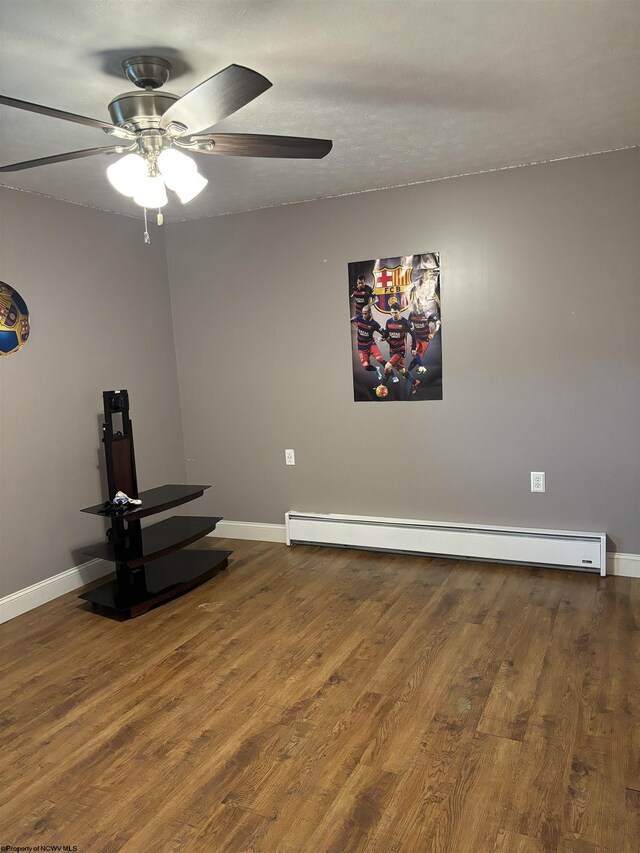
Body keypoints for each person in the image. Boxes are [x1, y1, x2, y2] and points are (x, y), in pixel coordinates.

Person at [383, 305, 420, 394]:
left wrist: (414, 348)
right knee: (401, 371)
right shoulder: (388, 321)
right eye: (392, 313)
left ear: (400, 312)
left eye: (395, 312)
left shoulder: (406, 322)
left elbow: (413, 335)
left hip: (401, 350)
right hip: (392, 350)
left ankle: (383, 385)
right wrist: (382, 337)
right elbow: (387, 333)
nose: (394, 314)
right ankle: (415, 382)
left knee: (388, 366)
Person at [350, 304, 386, 372]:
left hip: (370, 344)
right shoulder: (358, 318)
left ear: (370, 313)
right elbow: (351, 320)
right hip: (361, 346)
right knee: (366, 366)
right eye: (363, 313)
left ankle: (392, 375)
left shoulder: (374, 323)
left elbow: (384, 333)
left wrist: (382, 337)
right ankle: (376, 369)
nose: (364, 315)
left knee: (380, 359)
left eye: (365, 314)